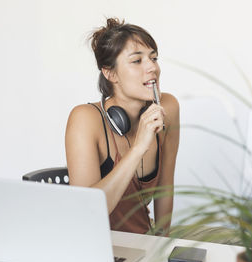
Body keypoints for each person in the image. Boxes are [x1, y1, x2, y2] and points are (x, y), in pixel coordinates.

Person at [65, 18, 180, 235]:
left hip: (141, 246)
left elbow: (165, 188)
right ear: (110, 73)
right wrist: (138, 148)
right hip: (95, 245)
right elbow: (86, 213)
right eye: (137, 61)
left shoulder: (168, 107)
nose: (152, 67)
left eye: (153, 58)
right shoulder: (85, 119)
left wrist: (161, 247)